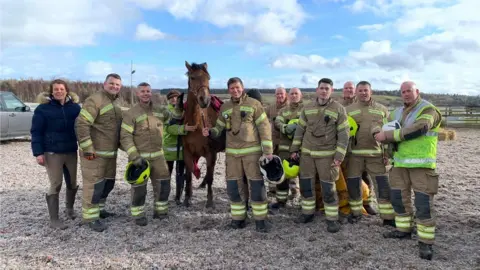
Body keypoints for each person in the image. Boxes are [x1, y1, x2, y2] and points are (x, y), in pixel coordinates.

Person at [374, 81, 442, 260]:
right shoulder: (396, 112)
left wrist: (387, 136)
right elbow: (383, 126)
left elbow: (420, 128)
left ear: (417, 91)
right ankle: (403, 230)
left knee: (423, 204)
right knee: (398, 199)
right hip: (399, 165)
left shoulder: (428, 110)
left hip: (421, 166)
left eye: (409, 91)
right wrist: (377, 132)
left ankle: (425, 243)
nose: (406, 94)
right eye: (403, 91)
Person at [202, 77, 273, 233]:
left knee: (256, 187)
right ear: (229, 90)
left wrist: (268, 152)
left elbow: (264, 128)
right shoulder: (225, 107)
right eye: (232, 88)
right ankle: (238, 219)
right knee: (234, 187)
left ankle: (261, 220)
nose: (235, 90)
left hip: (252, 154)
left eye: (237, 87)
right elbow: (219, 128)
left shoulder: (254, 104)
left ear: (243, 87)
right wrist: (210, 132)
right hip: (232, 156)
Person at [290, 78, 349, 233]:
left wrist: (339, 156)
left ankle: (332, 219)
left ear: (331, 90)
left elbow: (344, 134)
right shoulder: (307, 108)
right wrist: (294, 150)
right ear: (317, 90)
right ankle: (307, 213)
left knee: (328, 188)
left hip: (327, 156)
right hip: (307, 156)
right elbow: (299, 130)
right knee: (306, 186)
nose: (324, 91)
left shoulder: (338, 109)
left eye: (327, 88)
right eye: (321, 88)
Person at [120, 83, 184, 226]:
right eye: (142, 91)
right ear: (137, 93)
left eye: (148, 91)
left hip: (158, 156)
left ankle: (160, 212)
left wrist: (179, 106)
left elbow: (175, 118)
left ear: (151, 93)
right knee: (139, 189)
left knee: (163, 184)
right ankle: (138, 215)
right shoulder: (131, 113)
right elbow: (125, 136)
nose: (146, 93)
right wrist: (134, 156)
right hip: (139, 157)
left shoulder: (160, 110)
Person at [75, 73, 123, 232]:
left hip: (110, 153)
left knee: (108, 183)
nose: (114, 86)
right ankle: (90, 217)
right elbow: (82, 124)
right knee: (94, 186)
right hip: (95, 154)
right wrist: (87, 148)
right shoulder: (95, 100)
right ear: (104, 84)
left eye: (117, 84)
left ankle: (100, 210)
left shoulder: (116, 102)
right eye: (112, 83)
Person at [30, 79, 81, 229]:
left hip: (71, 150)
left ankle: (69, 209)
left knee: (72, 182)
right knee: (56, 183)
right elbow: (36, 132)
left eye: (61, 89)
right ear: (51, 92)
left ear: (67, 91)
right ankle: (54, 219)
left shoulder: (75, 108)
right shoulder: (42, 109)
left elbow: (82, 127)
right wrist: (38, 153)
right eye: (56, 89)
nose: (59, 91)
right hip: (52, 152)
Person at [345, 81, 395, 226]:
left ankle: (387, 217)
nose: (363, 93)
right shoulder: (348, 110)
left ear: (371, 92)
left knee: (383, 186)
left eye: (366, 90)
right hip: (354, 156)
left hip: (376, 155)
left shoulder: (382, 110)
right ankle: (356, 213)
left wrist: (388, 155)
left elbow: (389, 132)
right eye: (360, 90)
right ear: (356, 92)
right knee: (354, 185)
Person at [340, 81, 376, 214]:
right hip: (345, 148)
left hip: (361, 147)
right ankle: (347, 202)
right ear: (342, 90)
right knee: (347, 176)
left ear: (354, 90)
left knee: (365, 176)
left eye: (351, 88)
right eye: (346, 88)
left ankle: (367, 202)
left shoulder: (363, 103)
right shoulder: (338, 105)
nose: (348, 90)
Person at [270, 87, 304, 208]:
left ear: (301, 96)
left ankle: (304, 203)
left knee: (304, 175)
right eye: (292, 94)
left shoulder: (306, 110)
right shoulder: (283, 111)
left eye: (296, 93)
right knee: (282, 176)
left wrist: (298, 126)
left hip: (302, 148)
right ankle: (281, 201)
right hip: (284, 148)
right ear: (288, 96)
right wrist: (285, 127)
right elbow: (278, 122)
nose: (294, 95)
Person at [162, 90, 195, 176]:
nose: (174, 99)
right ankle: (165, 189)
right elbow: (168, 129)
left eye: (176, 97)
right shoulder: (165, 111)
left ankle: (179, 189)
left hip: (182, 148)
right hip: (169, 147)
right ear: (168, 99)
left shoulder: (184, 110)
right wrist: (184, 128)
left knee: (180, 174)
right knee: (167, 173)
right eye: (171, 97)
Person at [265, 87, 288, 195]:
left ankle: (294, 189)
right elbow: (261, 116)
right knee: (273, 165)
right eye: (277, 94)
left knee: (288, 166)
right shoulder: (271, 108)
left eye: (281, 94)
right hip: (274, 143)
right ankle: (273, 188)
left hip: (287, 143)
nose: (279, 96)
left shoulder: (290, 107)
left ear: (285, 94)